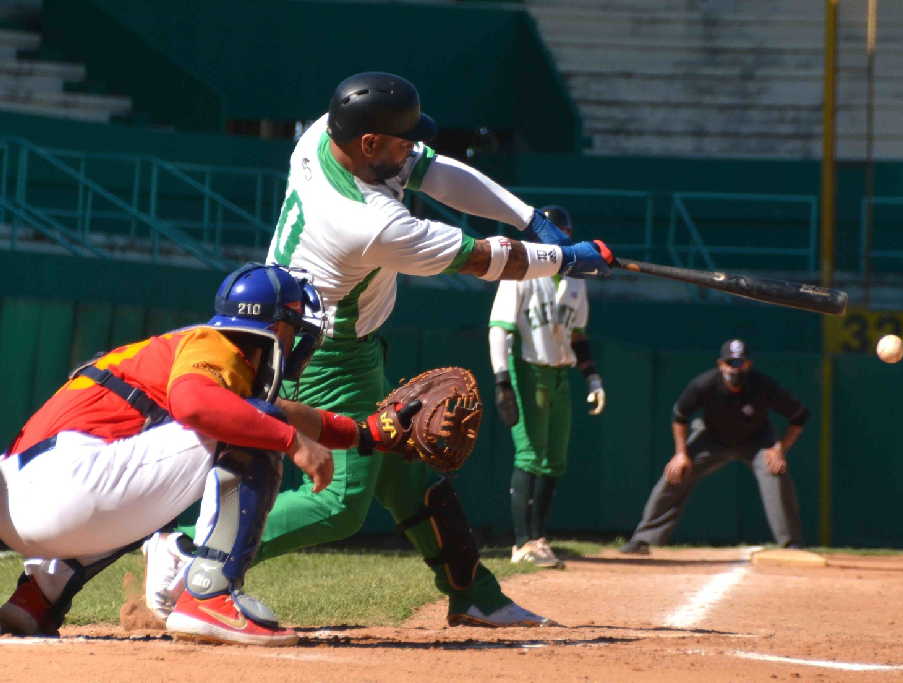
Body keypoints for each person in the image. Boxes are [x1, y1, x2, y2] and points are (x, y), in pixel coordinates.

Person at [142, 71, 615, 628]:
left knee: (402, 470)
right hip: (324, 351)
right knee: (338, 503)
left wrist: (530, 218)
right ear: (369, 143)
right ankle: (191, 557)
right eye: (401, 140)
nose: (413, 148)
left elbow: (437, 173)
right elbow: (488, 260)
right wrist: (564, 259)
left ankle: (474, 593)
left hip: (330, 336)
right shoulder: (372, 224)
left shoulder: (326, 132)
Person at [0, 263, 423, 645]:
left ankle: (37, 597)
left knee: (247, 417)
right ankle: (209, 592)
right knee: (245, 423)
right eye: (295, 326)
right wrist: (292, 443)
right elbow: (198, 405)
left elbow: (278, 411)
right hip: (69, 487)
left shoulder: (187, 350)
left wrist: (362, 434)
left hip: (24, 500)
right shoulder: (213, 342)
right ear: (278, 328)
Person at [487, 205, 605, 569]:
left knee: (554, 461)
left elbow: (579, 335)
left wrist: (593, 377)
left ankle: (539, 538)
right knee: (529, 456)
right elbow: (499, 329)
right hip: (528, 370)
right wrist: (502, 381)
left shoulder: (576, 278)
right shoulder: (520, 272)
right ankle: (522, 542)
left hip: (559, 374)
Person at [618, 339, 808, 555]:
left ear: (748, 364)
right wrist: (680, 454)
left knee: (776, 471)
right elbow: (679, 417)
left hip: (756, 441)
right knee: (675, 473)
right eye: (730, 363)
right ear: (720, 364)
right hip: (712, 438)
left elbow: (799, 416)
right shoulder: (704, 384)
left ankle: (791, 543)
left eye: (740, 362)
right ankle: (643, 539)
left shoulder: (763, 386)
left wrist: (780, 449)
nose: (735, 368)